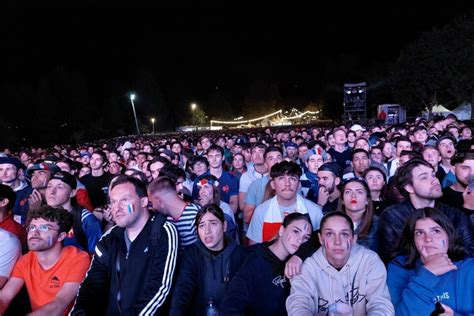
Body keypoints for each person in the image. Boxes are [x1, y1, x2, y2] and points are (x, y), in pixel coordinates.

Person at [72, 176, 178, 315]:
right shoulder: (108, 239)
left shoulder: (163, 232)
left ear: (144, 201)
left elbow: (160, 288)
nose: (117, 208)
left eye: (125, 200)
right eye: (113, 202)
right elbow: (92, 284)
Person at [286, 212, 394, 316]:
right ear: (320, 239)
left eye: (344, 234)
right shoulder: (307, 267)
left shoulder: (370, 261)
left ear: (353, 239)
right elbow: (298, 303)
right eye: (329, 234)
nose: (337, 241)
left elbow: (380, 304)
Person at [378, 158, 474, 263]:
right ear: (409, 187)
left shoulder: (455, 215)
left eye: (433, 175)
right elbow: (394, 258)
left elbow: (469, 253)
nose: (435, 180)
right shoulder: (393, 216)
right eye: (424, 177)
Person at [0, 206, 90, 315]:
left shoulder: (78, 258)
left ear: (61, 236)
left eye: (44, 228)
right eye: (32, 227)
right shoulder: (26, 260)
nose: (35, 233)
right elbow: (4, 297)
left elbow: (59, 305)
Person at [220, 213, 312, 315]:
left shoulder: (300, 261)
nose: (300, 240)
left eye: (306, 238)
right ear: (281, 230)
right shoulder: (255, 259)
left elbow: (320, 236)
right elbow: (231, 305)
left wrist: (298, 256)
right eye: (295, 231)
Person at [387, 207, 474, 315]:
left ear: (449, 234)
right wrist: (428, 273)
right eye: (419, 233)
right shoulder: (399, 268)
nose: (428, 238)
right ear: (413, 240)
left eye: (436, 231)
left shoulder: (470, 267)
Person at [170, 204, 248, 316]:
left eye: (213, 223)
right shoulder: (191, 254)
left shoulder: (240, 255)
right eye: (201, 225)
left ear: (224, 226)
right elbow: (182, 293)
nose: (207, 231)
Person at [247, 161, 323, 244]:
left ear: (298, 184)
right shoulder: (261, 211)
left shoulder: (314, 211)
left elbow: (319, 247)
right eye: (281, 178)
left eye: (292, 179)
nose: (287, 184)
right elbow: (254, 249)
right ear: (272, 184)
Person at [45, 171, 102, 253]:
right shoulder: (43, 216)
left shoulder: (87, 220)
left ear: (72, 193)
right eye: (49, 186)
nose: (52, 192)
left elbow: (95, 256)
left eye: (59, 187)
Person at [148, 176, 200, 250]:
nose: (152, 207)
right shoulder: (163, 219)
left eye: (151, 203)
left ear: (159, 201)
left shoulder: (196, 215)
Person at [338, 178, 379, 251]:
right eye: (348, 192)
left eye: (359, 192)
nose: (353, 196)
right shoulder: (331, 221)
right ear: (342, 200)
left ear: (367, 200)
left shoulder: (377, 224)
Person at [0, 157, 33, 224]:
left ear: (19, 171)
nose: (4, 173)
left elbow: (28, 218)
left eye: (8, 169)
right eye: (1, 169)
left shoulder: (30, 192)